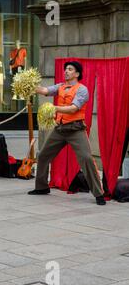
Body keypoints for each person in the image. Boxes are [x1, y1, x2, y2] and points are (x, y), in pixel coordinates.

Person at [28, 61, 106, 206]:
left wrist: (53, 108)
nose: (66, 71)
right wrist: (29, 86)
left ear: (77, 74)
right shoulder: (60, 86)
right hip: (60, 129)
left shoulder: (82, 89)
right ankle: (41, 187)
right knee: (43, 154)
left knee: (86, 158)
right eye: (65, 69)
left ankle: (99, 194)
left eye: (70, 69)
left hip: (75, 129)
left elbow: (73, 108)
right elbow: (45, 90)